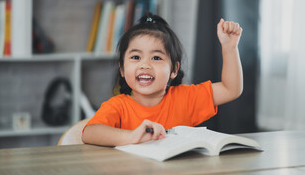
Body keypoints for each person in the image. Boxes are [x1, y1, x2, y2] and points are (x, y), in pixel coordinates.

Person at [82, 13, 243, 146]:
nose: (145, 65)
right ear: (123, 69)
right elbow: (90, 133)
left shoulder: (186, 99)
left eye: (156, 58)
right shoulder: (118, 106)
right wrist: (132, 137)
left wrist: (230, 48)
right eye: (136, 57)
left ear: (173, 69)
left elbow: (231, 89)